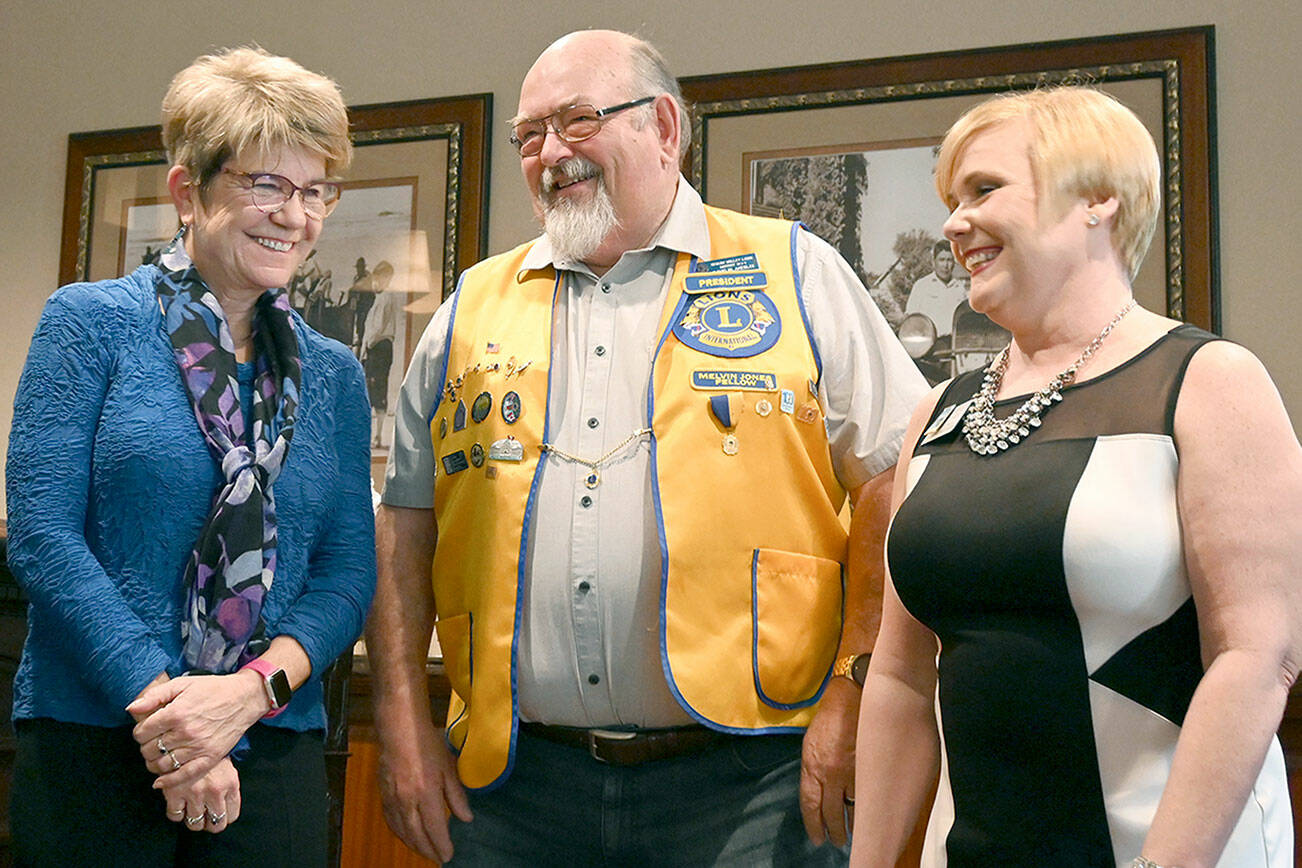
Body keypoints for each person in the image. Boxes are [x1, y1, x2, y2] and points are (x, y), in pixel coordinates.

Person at [366, 28, 927, 867]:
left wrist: (857, 691)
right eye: (529, 135)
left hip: (755, 780)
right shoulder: (471, 307)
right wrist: (402, 719)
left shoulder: (796, 272)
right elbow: (404, 525)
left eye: (577, 121)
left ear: (664, 127)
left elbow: (894, 478)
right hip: (515, 786)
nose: (550, 153)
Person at [850, 86, 1299, 867]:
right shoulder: (937, 414)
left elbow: (1258, 657)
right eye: (952, 199)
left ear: (1098, 199)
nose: (955, 224)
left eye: (984, 190)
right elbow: (900, 677)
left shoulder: (1209, 383)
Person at [5, 47, 376, 867]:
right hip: (96, 733)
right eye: (266, 184)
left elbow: (348, 574)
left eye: (314, 191)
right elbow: (41, 534)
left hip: (272, 742)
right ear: (187, 191)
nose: (295, 215)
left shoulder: (337, 375)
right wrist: (178, 722)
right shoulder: (89, 323)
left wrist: (244, 699)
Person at [903, 240, 966, 337]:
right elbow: (911, 320)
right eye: (942, 260)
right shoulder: (921, 286)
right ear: (934, 262)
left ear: (954, 263)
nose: (946, 265)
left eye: (949, 260)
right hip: (930, 344)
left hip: (955, 344)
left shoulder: (960, 287)